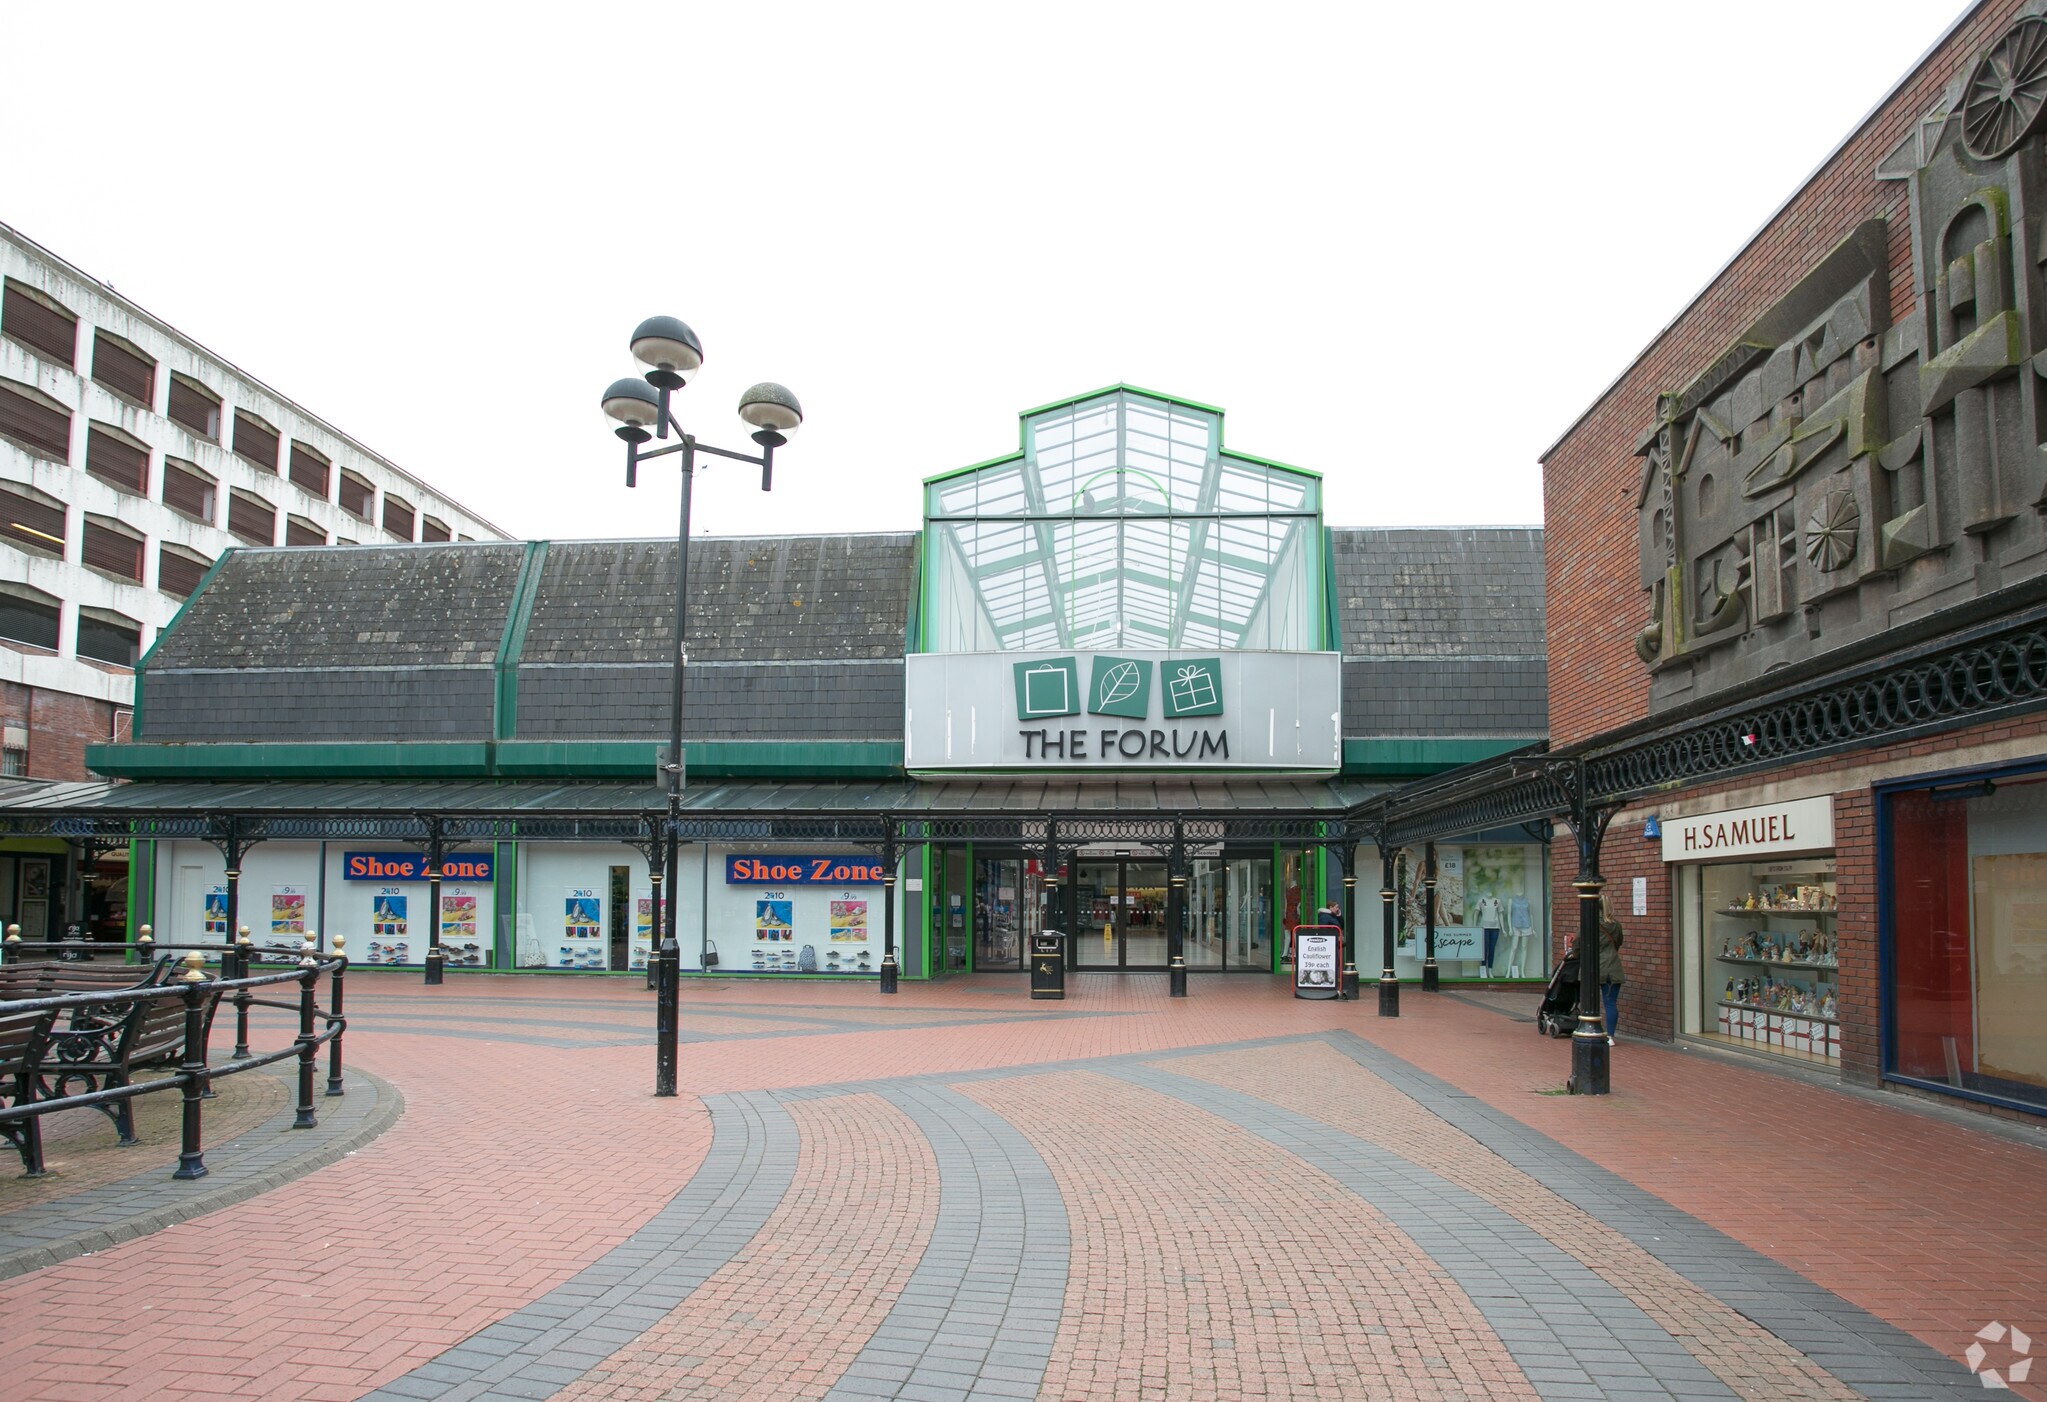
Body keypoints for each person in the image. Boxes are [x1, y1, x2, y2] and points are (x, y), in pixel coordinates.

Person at [1597, 895, 1627, 1044]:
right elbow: (1619, 942)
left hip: (1598, 967)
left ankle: (1591, 1029)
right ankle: (1610, 1036)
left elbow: (1578, 942)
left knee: (1589, 1001)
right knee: (1610, 1002)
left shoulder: (1591, 924)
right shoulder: (1617, 925)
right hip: (1614, 967)